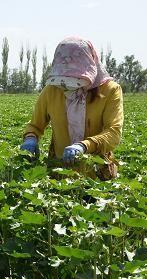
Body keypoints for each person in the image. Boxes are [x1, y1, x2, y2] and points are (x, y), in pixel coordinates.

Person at [21, 37, 123, 180]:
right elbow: (35, 125)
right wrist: (30, 138)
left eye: (74, 79)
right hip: (59, 172)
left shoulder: (110, 91)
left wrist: (84, 146)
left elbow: (114, 133)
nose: (66, 85)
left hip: (97, 175)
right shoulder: (52, 90)